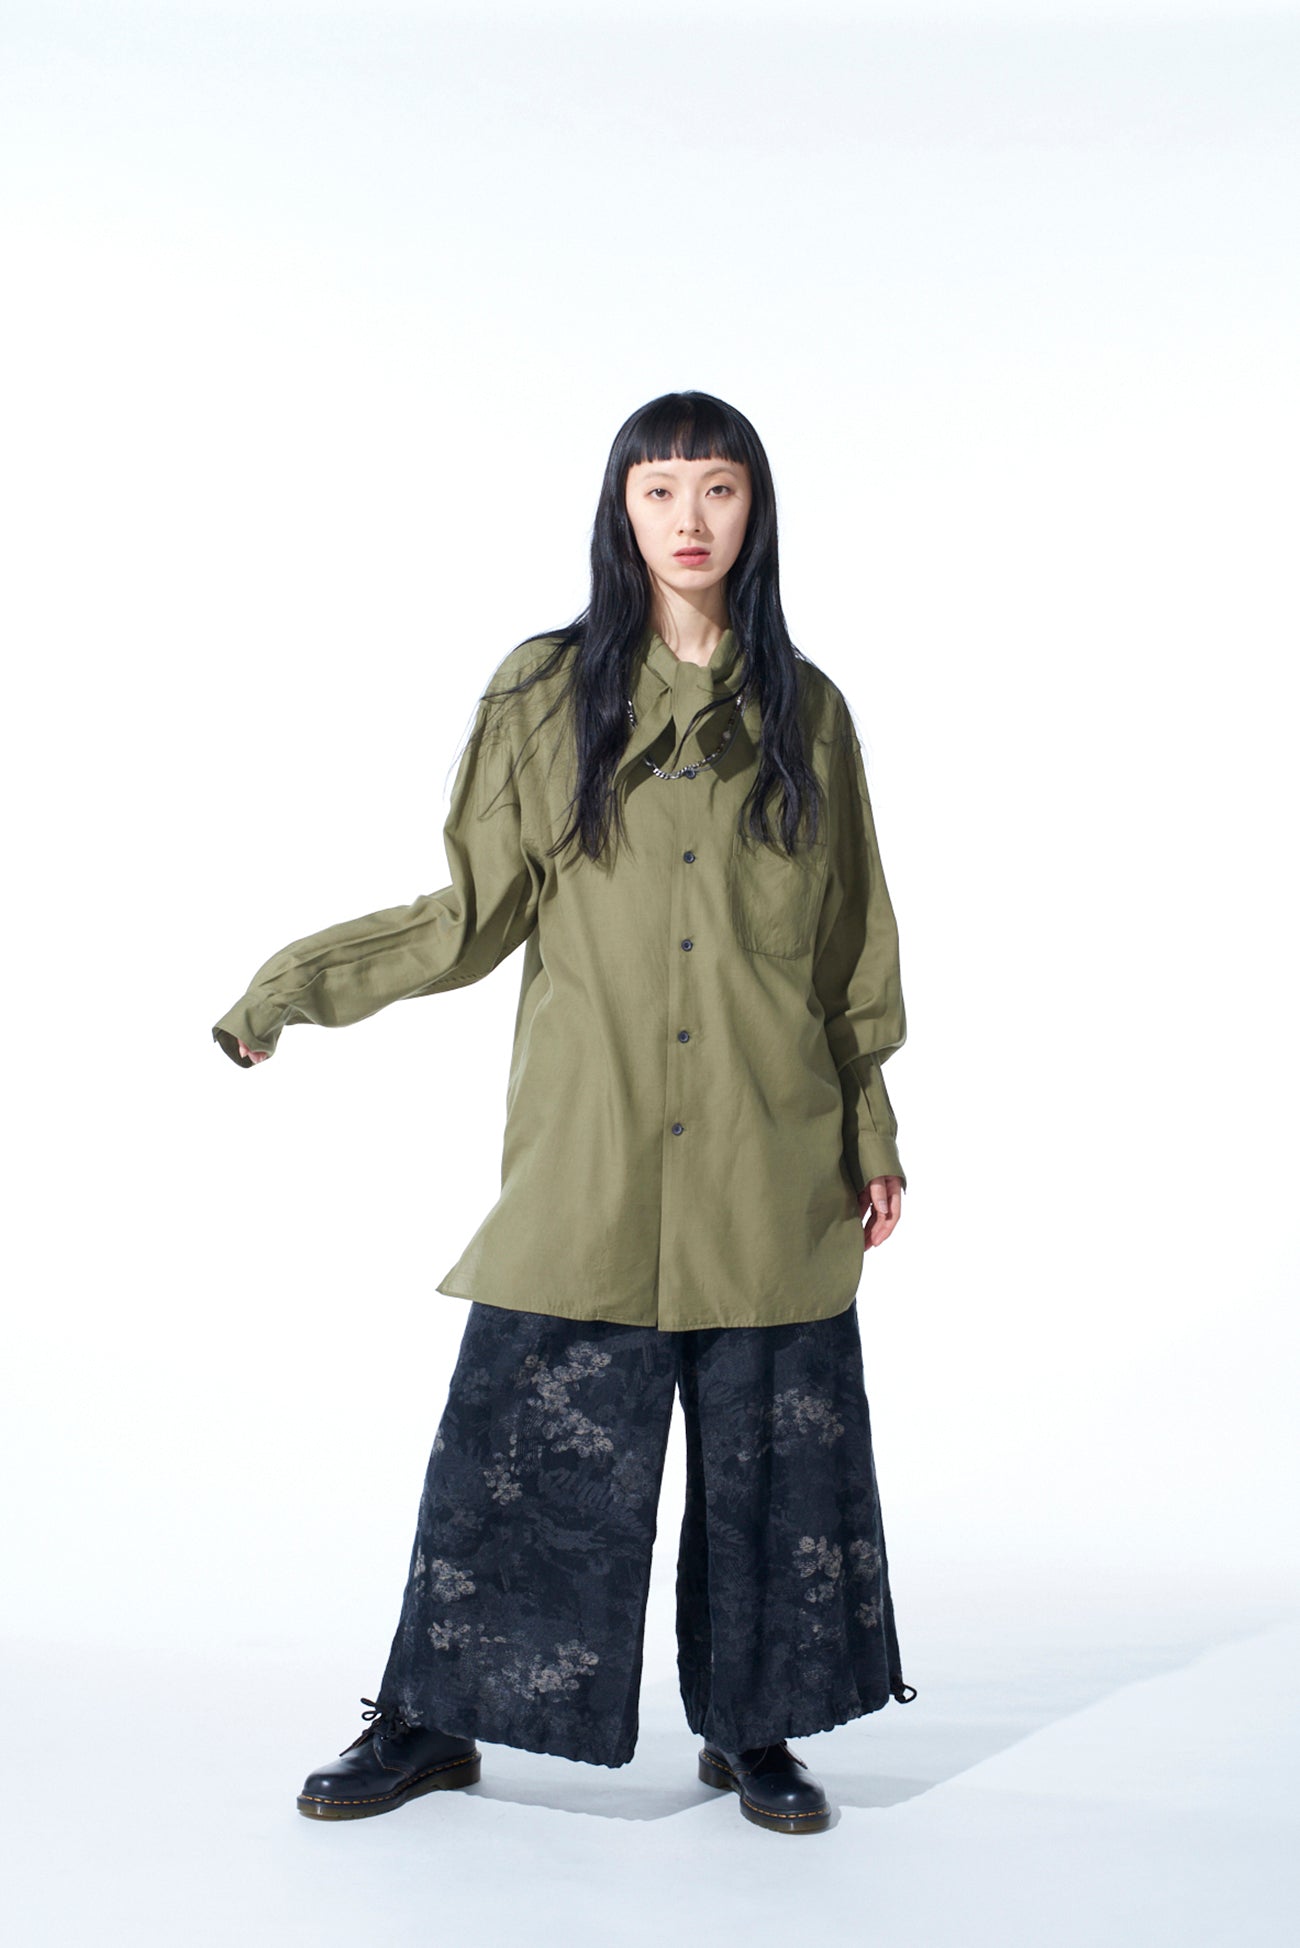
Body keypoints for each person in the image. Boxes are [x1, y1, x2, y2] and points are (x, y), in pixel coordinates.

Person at [212, 389, 915, 1837]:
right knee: (518, 1453)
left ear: (755, 508)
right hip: (591, 1157)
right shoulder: (544, 695)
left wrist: (872, 1132)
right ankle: (432, 1721)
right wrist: (293, 987)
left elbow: (850, 948)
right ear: (620, 510)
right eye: (660, 490)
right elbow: (470, 915)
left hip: (769, 1157)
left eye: (717, 488)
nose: (689, 519)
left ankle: (755, 1729)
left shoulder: (810, 712)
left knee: (772, 1465)